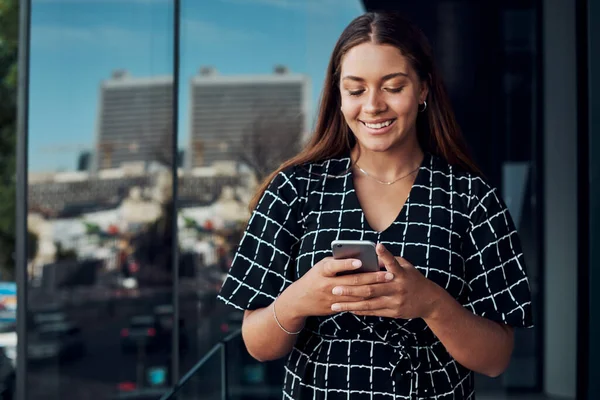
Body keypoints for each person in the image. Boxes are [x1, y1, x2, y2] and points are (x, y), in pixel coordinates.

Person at [218, 11, 533, 399]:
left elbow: (496, 358)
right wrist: (299, 300)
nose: (373, 105)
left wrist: (431, 304)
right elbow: (257, 344)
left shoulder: (472, 198)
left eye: (392, 86)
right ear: (339, 96)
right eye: (355, 90)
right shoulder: (294, 190)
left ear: (423, 89)